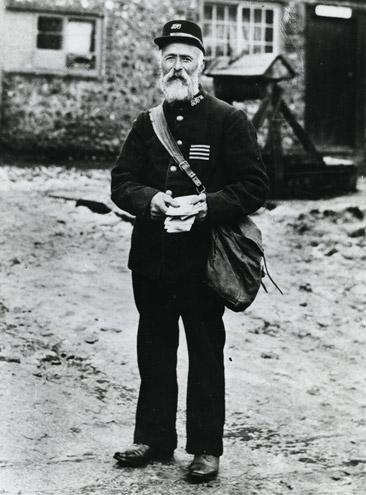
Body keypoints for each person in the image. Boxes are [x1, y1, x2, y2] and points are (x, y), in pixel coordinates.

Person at [111, 19, 269, 482]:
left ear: (202, 65)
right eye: (170, 59)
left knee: (204, 352)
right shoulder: (147, 124)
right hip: (154, 260)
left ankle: (205, 448)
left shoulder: (227, 120)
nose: (177, 67)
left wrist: (206, 206)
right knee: (154, 348)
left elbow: (254, 186)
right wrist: (149, 200)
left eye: (186, 59)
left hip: (205, 262)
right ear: (160, 65)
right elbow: (122, 182)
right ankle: (155, 438)